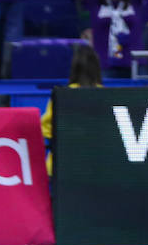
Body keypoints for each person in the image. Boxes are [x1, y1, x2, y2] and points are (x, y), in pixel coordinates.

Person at [40, 43, 103, 175]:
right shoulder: (107, 95)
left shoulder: (62, 94)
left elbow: (46, 128)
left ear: (74, 68)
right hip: (98, 169)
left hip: (62, 168)